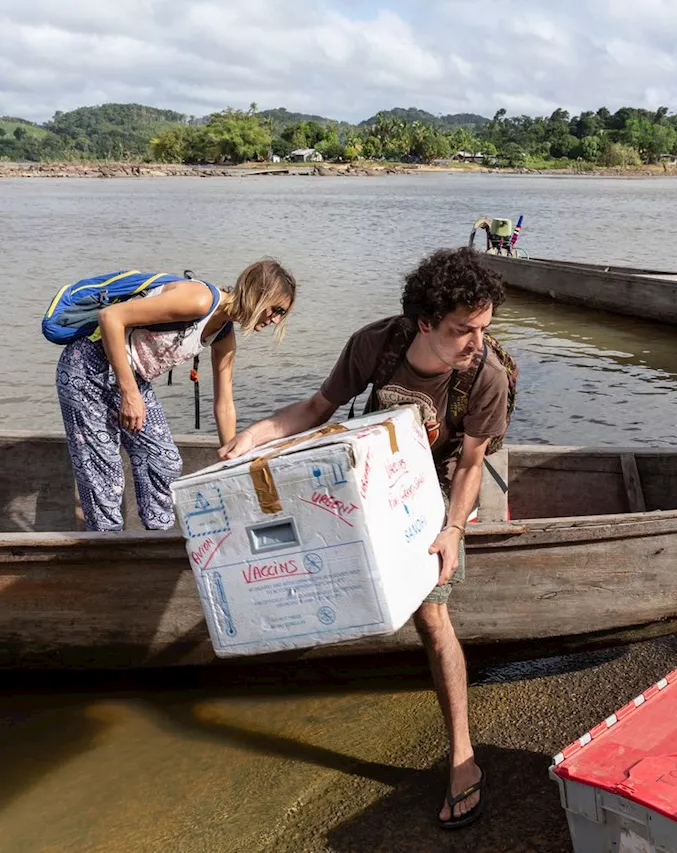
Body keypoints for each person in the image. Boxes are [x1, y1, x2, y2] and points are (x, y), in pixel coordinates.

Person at [219, 247, 510, 829]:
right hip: (377, 473)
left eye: (483, 329)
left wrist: (452, 530)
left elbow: (473, 465)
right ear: (425, 322)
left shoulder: (486, 377)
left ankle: (463, 758)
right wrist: (254, 435)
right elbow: (318, 408)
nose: (475, 342)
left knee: (432, 618)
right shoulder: (376, 344)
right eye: (462, 331)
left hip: (440, 486)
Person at [57, 259, 296, 532]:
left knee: (165, 461)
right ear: (258, 292)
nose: (275, 319)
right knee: (105, 474)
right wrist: (129, 393)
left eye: (281, 315)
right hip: (87, 367)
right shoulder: (199, 299)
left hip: (133, 377)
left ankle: (156, 539)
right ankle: (106, 551)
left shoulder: (224, 334)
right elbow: (111, 317)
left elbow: (224, 402)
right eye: (275, 309)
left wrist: (231, 457)